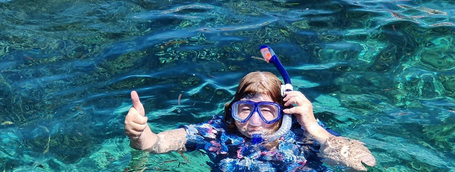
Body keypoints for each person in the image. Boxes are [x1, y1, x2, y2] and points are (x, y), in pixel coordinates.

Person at [124, 71, 377, 171]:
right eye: (245, 109)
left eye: (267, 111)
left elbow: (363, 164)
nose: (254, 121)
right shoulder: (218, 131)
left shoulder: (302, 131)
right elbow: (156, 144)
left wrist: (313, 127)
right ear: (232, 110)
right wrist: (140, 134)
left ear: (284, 111)